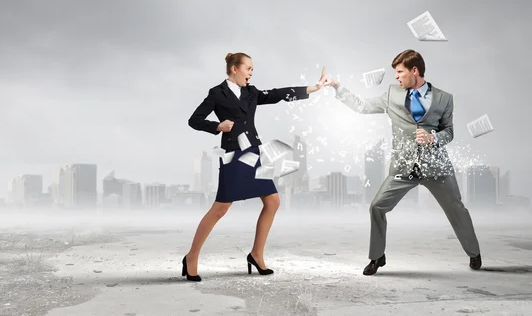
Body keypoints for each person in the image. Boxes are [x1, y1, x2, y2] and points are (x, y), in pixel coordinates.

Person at [325, 49, 482, 275]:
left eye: (400, 72)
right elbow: (362, 106)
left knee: (457, 209)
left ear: (414, 70)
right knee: (377, 206)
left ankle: (474, 252)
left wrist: (433, 138)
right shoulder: (392, 95)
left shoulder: (444, 99)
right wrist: (337, 87)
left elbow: (449, 132)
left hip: (436, 167)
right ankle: (377, 257)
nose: (396, 77)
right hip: (403, 167)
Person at [182, 52, 327, 281]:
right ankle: (191, 257)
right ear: (234, 69)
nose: (251, 72)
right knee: (220, 208)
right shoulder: (217, 93)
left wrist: (313, 88)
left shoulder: (251, 93)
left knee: (272, 201)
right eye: (248, 68)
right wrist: (218, 126)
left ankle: (256, 254)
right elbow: (194, 120)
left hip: (254, 152)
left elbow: (277, 94)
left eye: (252, 69)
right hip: (233, 154)